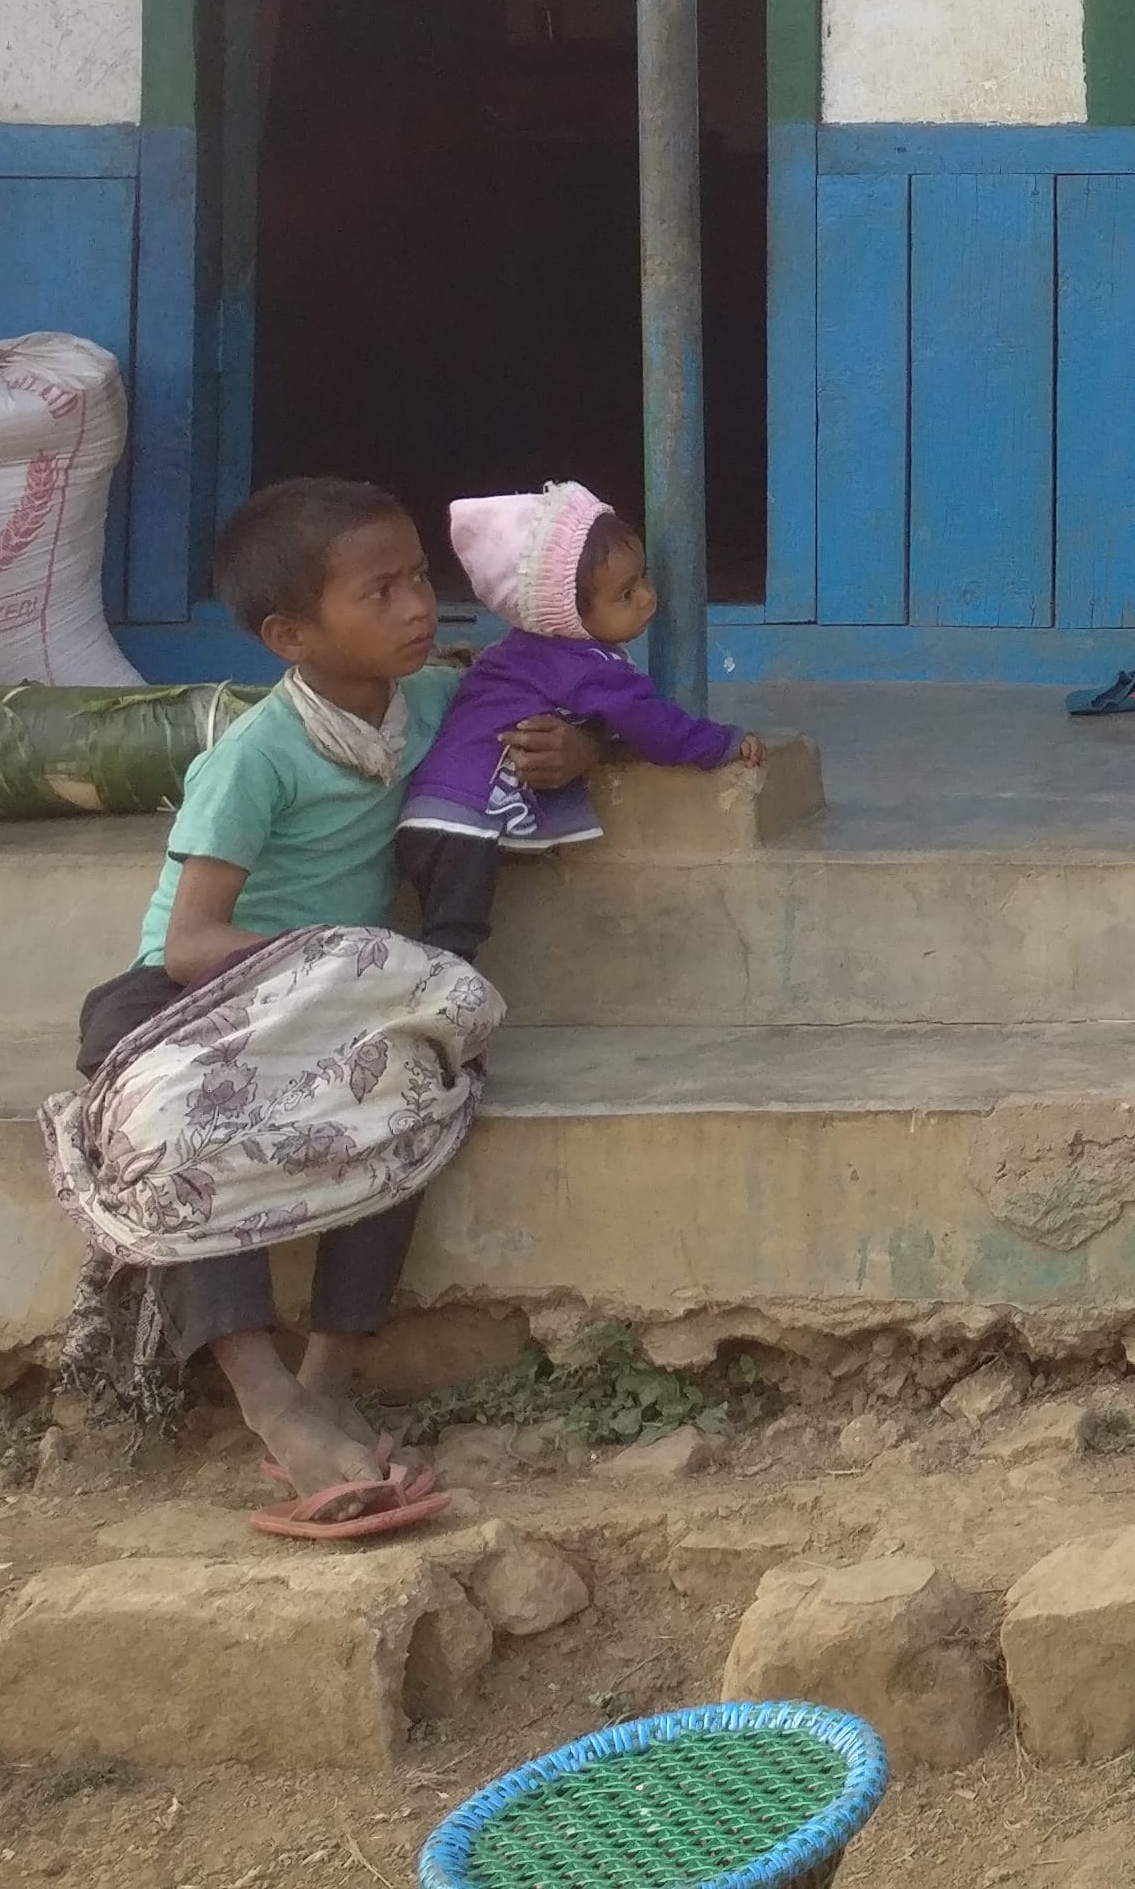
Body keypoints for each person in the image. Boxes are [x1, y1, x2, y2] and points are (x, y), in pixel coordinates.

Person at [67, 478, 522, 1524]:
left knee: (404, 1092)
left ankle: (328, 1383)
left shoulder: (433, 704)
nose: (418, 607)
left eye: (419, 579)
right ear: (291, 635)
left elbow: (551, 701)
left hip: (335, 989)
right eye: (379, 593)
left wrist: (572, 748)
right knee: (176, 1128)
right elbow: (190, 944)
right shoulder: (255, 757)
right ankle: (266, 1398)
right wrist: (334, 965)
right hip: (187, 996)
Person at [397, 482, 760, 954]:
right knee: (453, 941)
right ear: (566, 615)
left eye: (643, 579)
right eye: (626, 595)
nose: (649, 598)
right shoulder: (588, 665)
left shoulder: (514, 654)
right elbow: (651, 726)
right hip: (464, 824)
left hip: (424, 814)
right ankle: (441, 1016)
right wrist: (721, 743)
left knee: (444, 932)